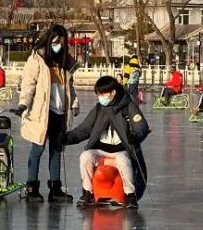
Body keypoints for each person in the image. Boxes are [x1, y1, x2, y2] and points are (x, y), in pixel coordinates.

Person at [12, 24, 80, 203]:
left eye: (62, 42)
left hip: (59, 112)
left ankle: (55, 189)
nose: (59, 45)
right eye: (56, 42)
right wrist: (22, 104)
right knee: (37, 149)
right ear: (49, 41)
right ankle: (32, 186)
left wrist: (74, 103)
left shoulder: (65, 62)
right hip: (42, 112)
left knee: (57, 150)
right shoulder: (37, 60)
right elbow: (28, 85)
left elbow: (69, 88)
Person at [63, 75, 150, 209]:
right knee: (86, 157)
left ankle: (130, 195)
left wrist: (136, 136)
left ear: (113, 92)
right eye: (98, 94)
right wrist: (66, 138)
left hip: (120, 150)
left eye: (102, 94)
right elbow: (84, 129)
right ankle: (88, 192)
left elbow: (141, 126)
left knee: (123, 160)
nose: (100, 97)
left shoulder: (128, 106)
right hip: (101, 150)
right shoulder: (99, 109)